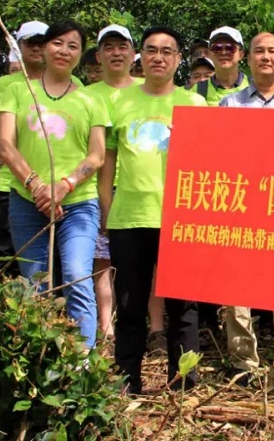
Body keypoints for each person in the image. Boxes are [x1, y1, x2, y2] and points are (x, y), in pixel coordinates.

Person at [99, 25, 206, 394]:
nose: (158, 57)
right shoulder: (119, 103)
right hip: (130, 217)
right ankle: (128, 381)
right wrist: (107, 211)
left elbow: (208, 167)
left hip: (180, 220)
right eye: (151, 50)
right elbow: (107, 165)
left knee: (183, 307)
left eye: (167, 51)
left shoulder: (194, 104)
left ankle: (184, 385)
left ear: (178, 59)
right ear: (139, 56)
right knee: (129, 306)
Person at [0, 20, 108, 347]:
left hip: (78, 205)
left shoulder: (91, 99)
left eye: (73, 46)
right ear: (44, 48)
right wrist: (35, 185)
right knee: (35, 284)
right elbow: (4, 143)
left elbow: (97, 155)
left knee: (76, 275)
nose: (65, 51)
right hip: (26, 202)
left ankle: (82, 367)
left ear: (81, 55)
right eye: (58, 43)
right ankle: (40, 360)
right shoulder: (16, 90)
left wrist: (65, 185)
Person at [219, 32, 274, 390]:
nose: (266, 57)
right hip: (241, 203)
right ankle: (243, 363)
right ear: (248, 58)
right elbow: (219, 154)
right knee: (237, 286)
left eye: (273, 51)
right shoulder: (230, 105)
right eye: (259, 51)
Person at [0, 21, 66, 259]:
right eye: (29, 43)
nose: (36, 48)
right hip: (11, 184)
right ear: (19, 46)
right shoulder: (5, 85)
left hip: (57, 183)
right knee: (11, 248)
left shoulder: (67, 83)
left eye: (41, 42)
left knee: (57, 250)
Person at [87, 24, 151, 343]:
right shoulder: (84, 94)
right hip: (97, 189)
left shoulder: (147, 90)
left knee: (145, 264)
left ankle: (154, 329)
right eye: (108, 47)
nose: (115, 52)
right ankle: (106, 327)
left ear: (132, 52)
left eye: (122, 46)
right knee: (102, 260)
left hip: (142, 189)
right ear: (98, 56)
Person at [195, 26, 249, 104]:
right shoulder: (196, 91)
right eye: (217, 48)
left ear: (241, 54)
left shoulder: (255, 88)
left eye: (230, 48)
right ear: (209, 54)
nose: (223, 52)